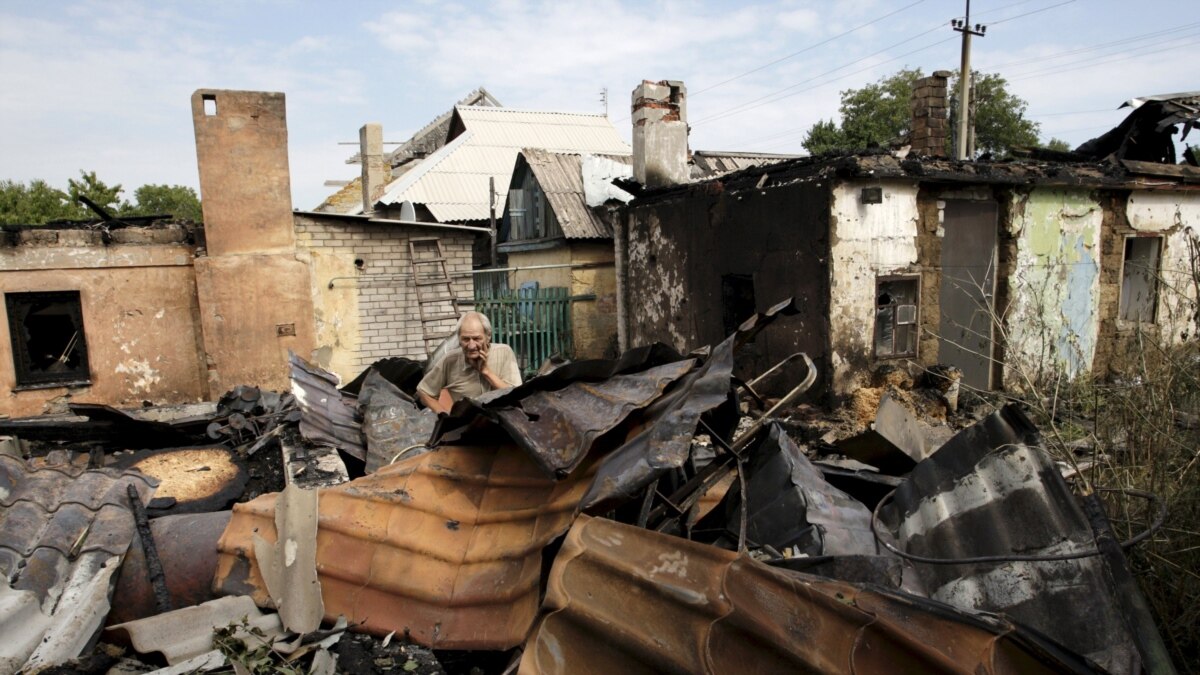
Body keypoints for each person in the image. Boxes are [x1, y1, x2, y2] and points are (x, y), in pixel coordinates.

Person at [417, 311, 522, 414]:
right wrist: (443, 415)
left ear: (488, 336)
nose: (471, 346)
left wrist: (486, 372)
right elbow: (423, 391)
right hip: (468, 427)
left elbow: (518, 397)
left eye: (477, 338)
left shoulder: (504, 353)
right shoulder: (450, 360)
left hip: (503, 425)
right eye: (466, 339)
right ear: (458, 339)